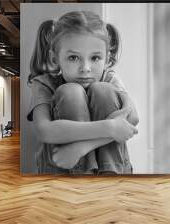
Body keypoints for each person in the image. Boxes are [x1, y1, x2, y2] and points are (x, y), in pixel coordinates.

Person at [27, 11, 139, 174]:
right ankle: (82, 175)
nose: (85, 68)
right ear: (55, 59)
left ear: (107, 59)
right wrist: (109, 127)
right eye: (73, 58)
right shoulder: (44, 83)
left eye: (95, 58)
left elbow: (132, 117)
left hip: (112, 170)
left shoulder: (109, 78)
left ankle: (111, 175)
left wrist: (81, 148)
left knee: (103, 90)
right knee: (70, 91)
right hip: (62, 169)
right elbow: (44, 130)